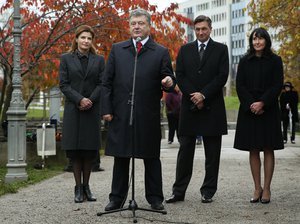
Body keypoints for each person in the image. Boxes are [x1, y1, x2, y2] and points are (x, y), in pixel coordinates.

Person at [101, 8, 175, 211]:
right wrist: (106, 109)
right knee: (121, 157)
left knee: (151, 158)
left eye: (141, 23)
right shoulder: (118, 49)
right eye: (133, 23)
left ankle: (155, 198)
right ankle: (117, 198)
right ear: (129, 26)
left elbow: (169, 79)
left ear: (149, 26)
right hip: (121, 113)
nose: (137, 27)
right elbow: (106, 83)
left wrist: (168, 81)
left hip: (147, 114)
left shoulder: (160, 52)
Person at [166, 15, 229, 204]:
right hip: (189, 108)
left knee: (212, 153)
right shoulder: (185, 50)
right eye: (198, 29)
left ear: (211, 29)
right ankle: (179, 192)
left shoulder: (221, 49)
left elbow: (222, 76)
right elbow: (181, 75)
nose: (201, 32)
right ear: (194, 30)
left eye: (204, 28)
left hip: (212, 106)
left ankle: (208, 191)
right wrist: (194, 96)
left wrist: (204, 95)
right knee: (185, 151)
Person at [234, 27, 284, 204]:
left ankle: (267, 188)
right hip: (249, 110)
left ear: (266, 41)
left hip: (268, 109)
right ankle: (257, 187)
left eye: (260, 39)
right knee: (253, 149)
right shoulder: (245, 61)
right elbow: (239, 85)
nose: (257, 42)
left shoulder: (276, 60)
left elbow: (277, 85)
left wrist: (263, 102)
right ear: (251, 42)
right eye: (254, 39)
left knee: (268, 148)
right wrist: (251, 104)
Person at [59, 25, 105, 203]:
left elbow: (102, 83)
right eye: (83, 37)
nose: (86, 41)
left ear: (92, 41)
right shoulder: (66, 59)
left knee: (89, 151)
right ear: (76, 39)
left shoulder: (99, 60)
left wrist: (90, 100)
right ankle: (78, 188)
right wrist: (80, 100)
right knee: (76, 151)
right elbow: (64, 84)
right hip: (74, 110)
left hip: (91, 110)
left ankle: (87, 187)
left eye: (89, 38)